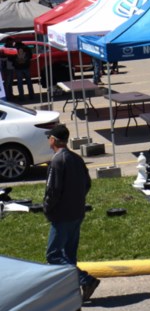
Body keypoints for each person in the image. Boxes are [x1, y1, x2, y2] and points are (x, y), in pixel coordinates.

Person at [43, 124, 99, 301]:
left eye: (48, 138)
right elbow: (87, 183)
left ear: (53, 140)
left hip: (62, 215)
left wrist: (47, 207)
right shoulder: (76, 158)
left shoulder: (57, 161)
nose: (48, 140)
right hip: (77, 212)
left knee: (54, 255)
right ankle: (72, 289)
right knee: (69, 254)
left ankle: (86, 280)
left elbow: (52, 190)